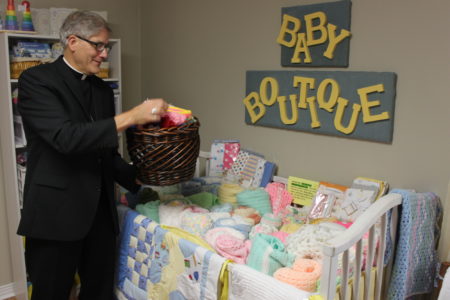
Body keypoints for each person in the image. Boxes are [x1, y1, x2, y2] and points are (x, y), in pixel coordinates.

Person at [17, 10, 168, 300]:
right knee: (51, 292)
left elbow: (105, 153)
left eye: (106, 47)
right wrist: (131, 116)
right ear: (72, 41)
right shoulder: (37, 81)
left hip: (99, 215)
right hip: (56, 214)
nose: (103, 54)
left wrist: (143, 179)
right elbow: (65, 138)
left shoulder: (101, 91)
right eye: (98, 45)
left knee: (99, 291)